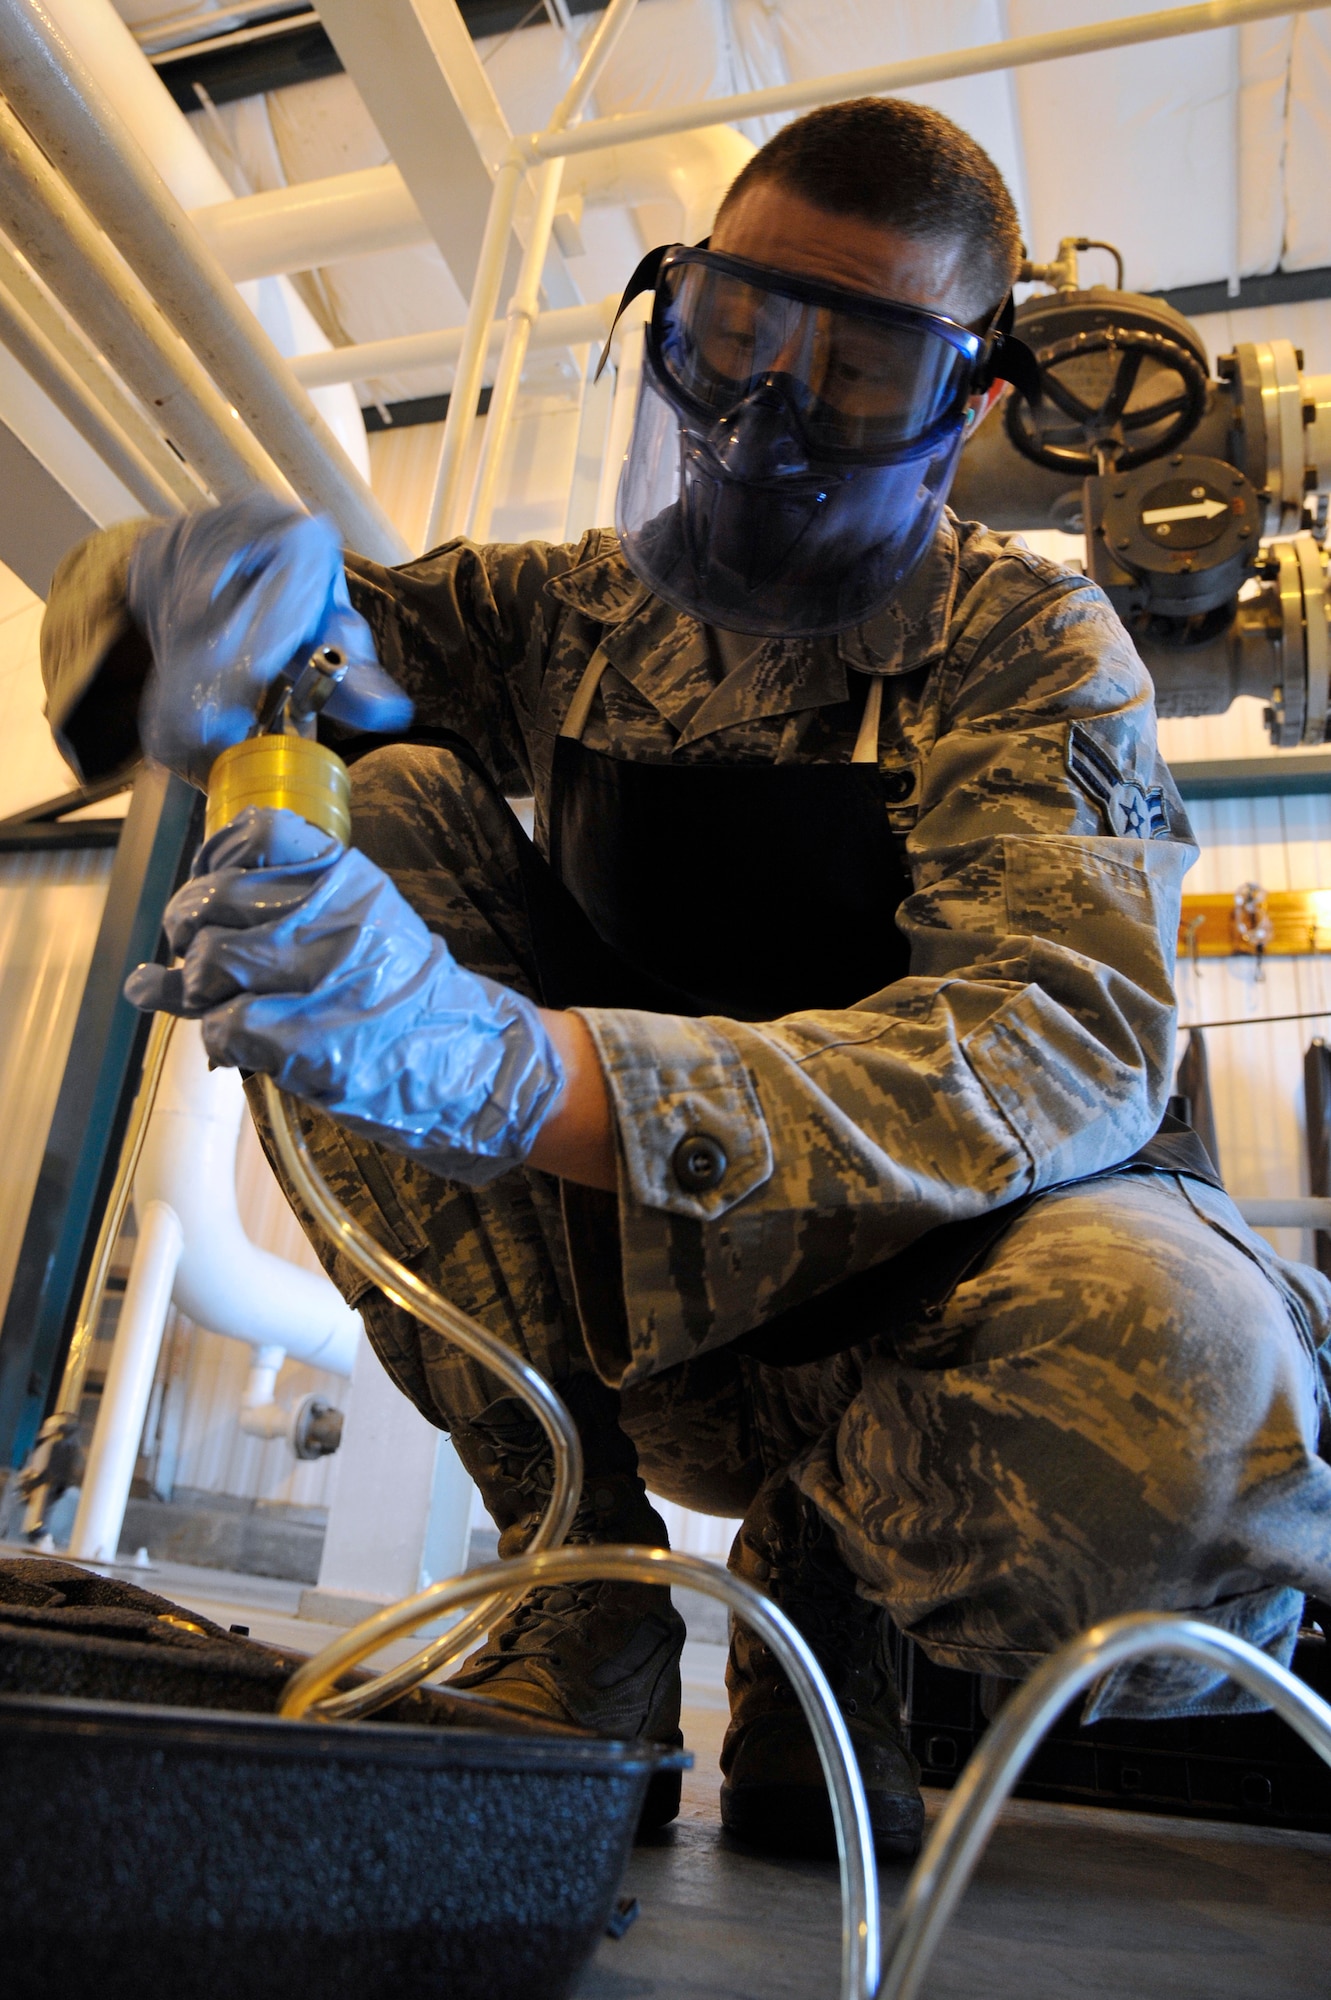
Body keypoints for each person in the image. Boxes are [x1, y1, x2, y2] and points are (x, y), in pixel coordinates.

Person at [41, 98, 1331, 1862]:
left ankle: (847, 1623)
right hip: (646, 1308)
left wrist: (506, 1068)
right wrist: (179, 592)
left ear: (960, 410)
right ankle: (582, 1592)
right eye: (735, 334)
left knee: (1175, 1394)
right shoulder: (569, 615)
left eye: (858, 371)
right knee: (388, 799)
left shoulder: (1028, 646)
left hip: (945, 1329)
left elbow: (1055, 1044)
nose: (767, 412)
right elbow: (334, 647)